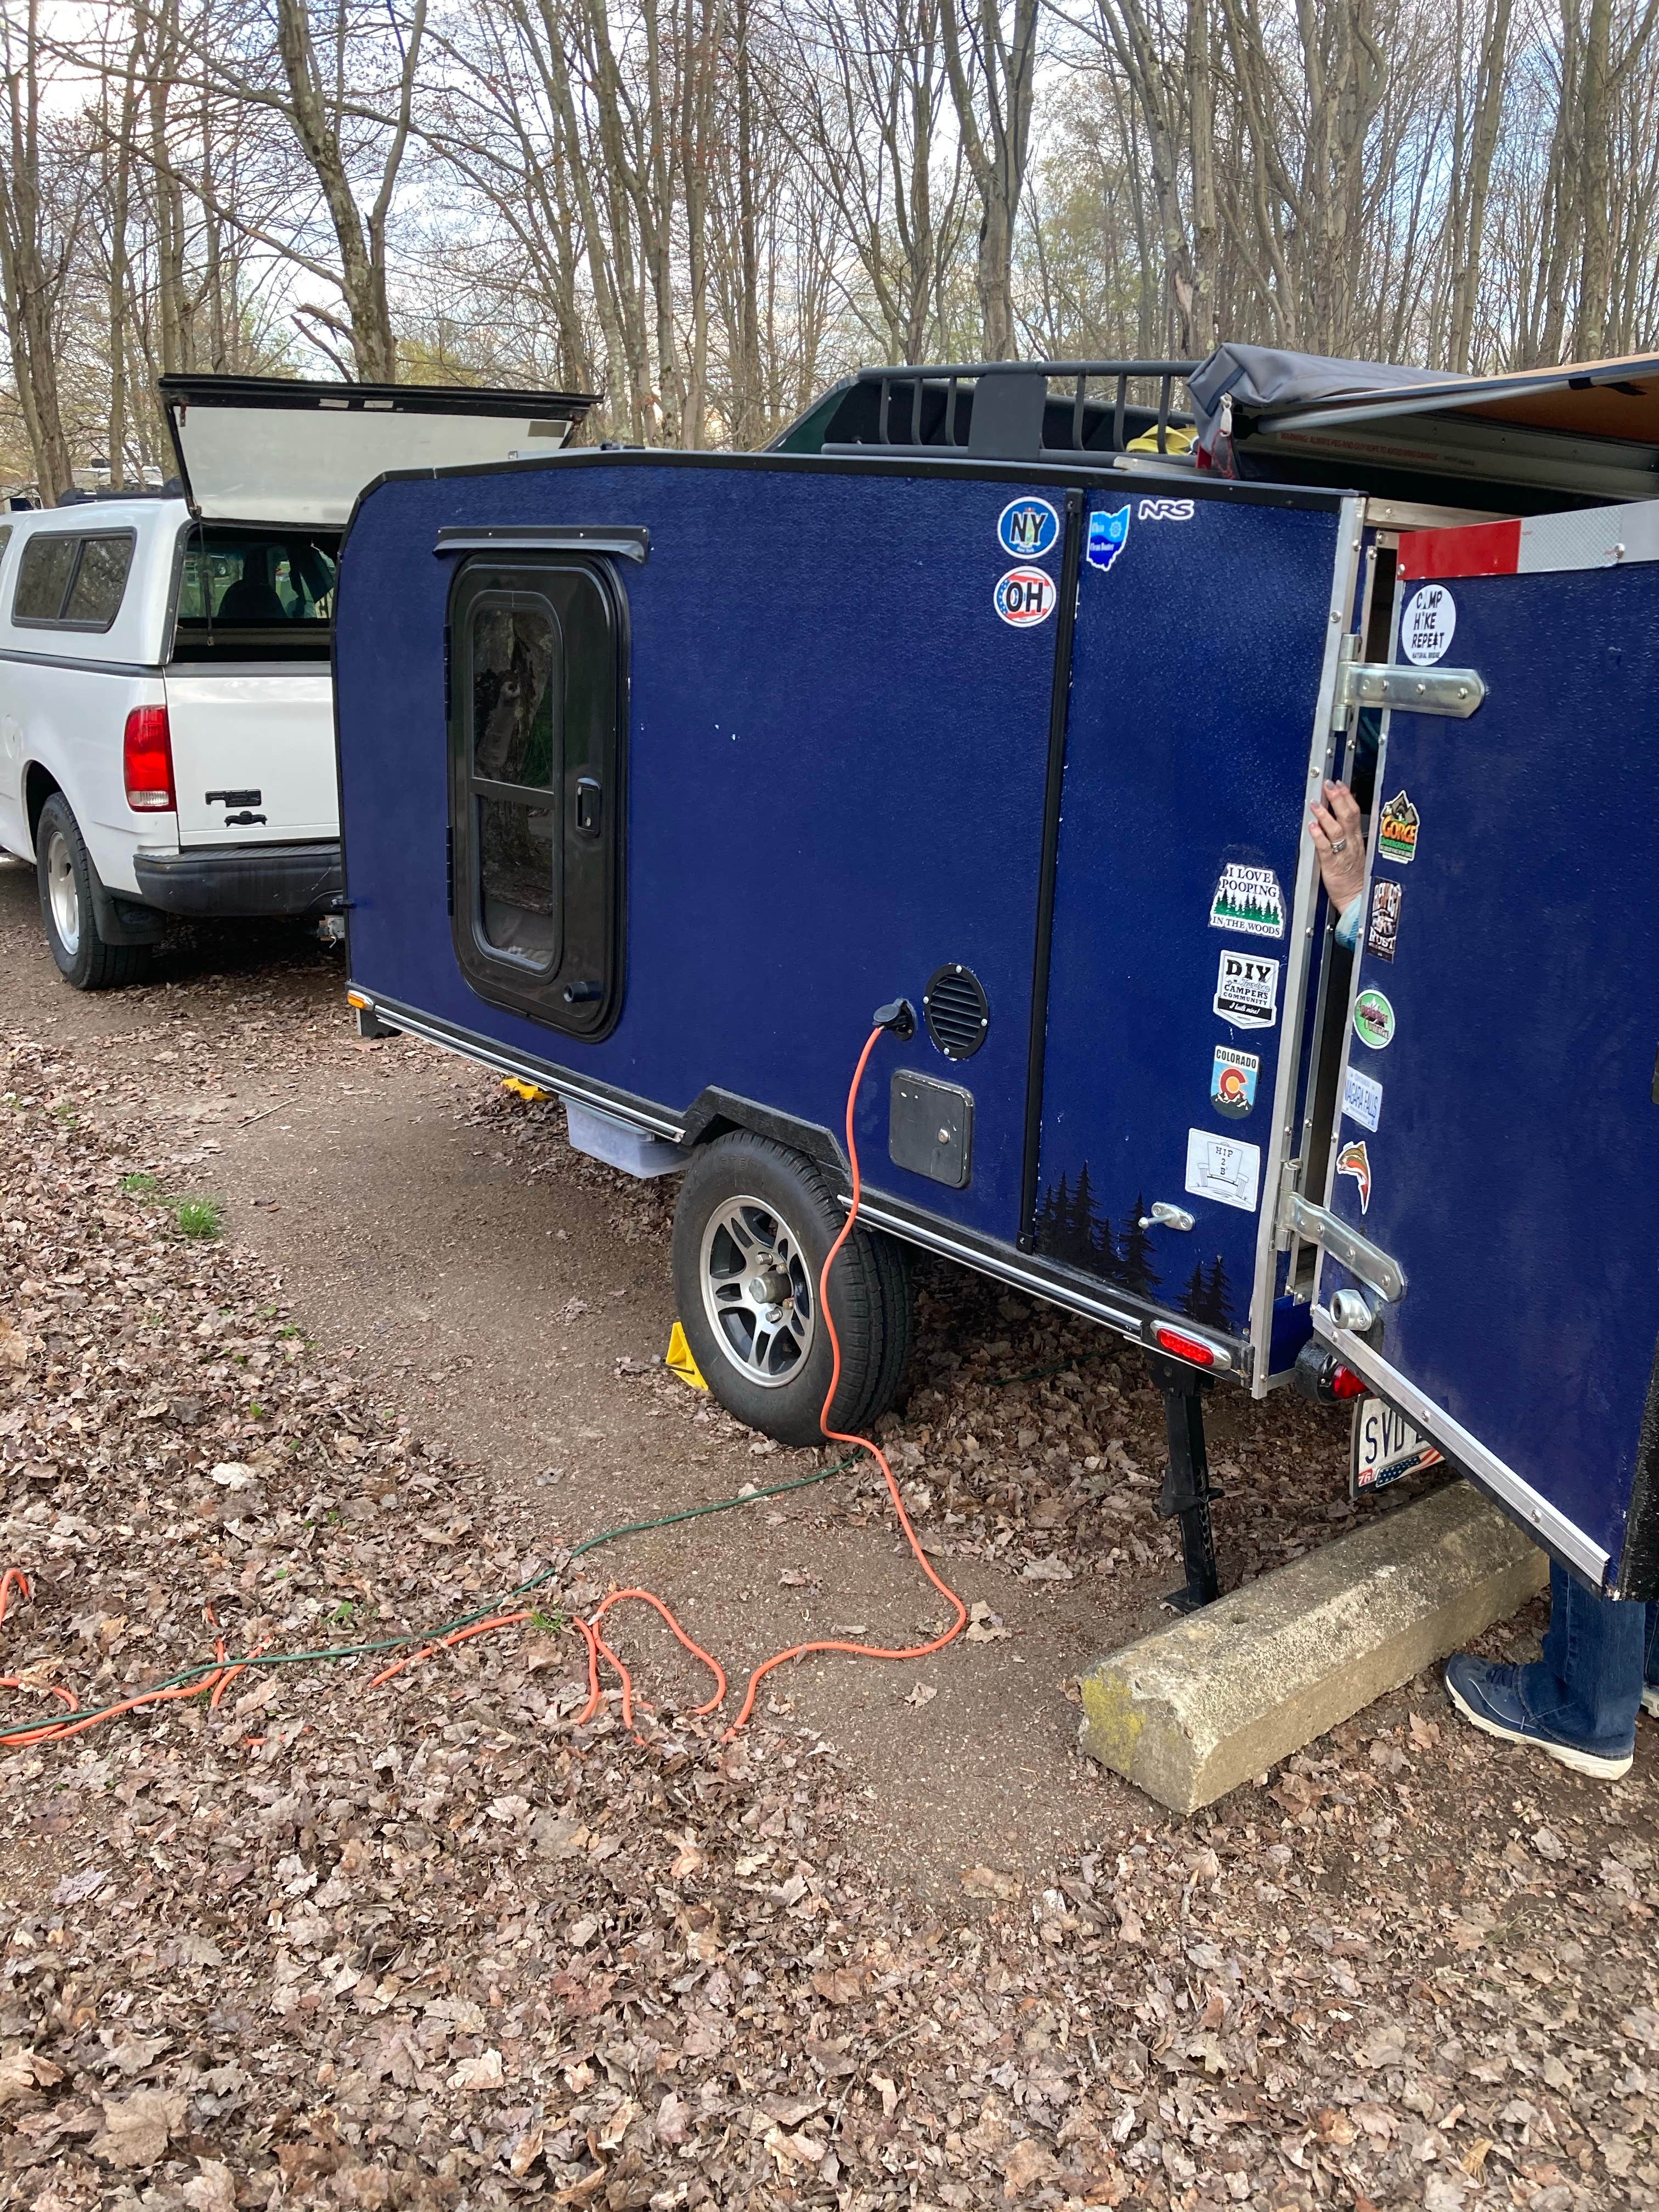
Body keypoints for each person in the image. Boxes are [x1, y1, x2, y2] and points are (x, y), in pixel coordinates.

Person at [1308, 779, 1659, 1780]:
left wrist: (1355, 902)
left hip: (1578, 1128)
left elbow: (1458, 982)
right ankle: (1641, 1659)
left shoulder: (1554, 815)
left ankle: (1585, 1702)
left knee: (1581, 1392)